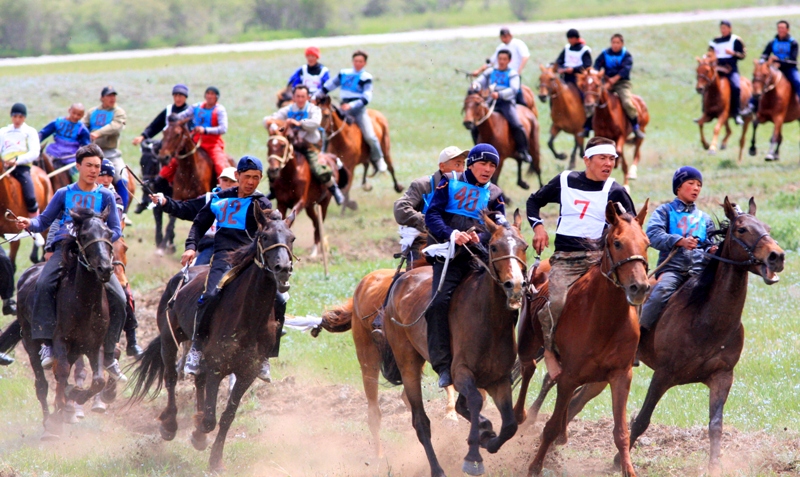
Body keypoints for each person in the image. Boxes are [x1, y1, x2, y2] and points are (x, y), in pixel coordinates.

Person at [525, 136, 635, 379]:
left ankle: (630, 348)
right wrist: (538, 228)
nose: (608, 163)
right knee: (556, 303)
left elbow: (632, 226)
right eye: (603, 158)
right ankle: (551, 352)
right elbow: (534, 201)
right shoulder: (565, 180)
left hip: (600, 260)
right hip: (566, 258)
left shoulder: (616, 190)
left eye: (612, 159)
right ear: (587, 160)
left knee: (634, 292)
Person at [15, 144, 128, 381]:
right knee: (43, 284)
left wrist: (99, 241)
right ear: (78, 166)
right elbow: (44, 220)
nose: (94, 170)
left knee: (119, 297)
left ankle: (109, 353)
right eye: (89, 165)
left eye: (97, 166)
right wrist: (29, 223)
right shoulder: (63, 193)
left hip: (95, 253)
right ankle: (47, 342)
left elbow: (116, 230)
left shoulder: (106, 195)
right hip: (65, 249)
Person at [180, 156, 282, 382]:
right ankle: (196, 347)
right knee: (211, 295)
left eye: (256, 178)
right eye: (247, 177)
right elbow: (199, 224)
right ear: (237, 176)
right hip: (224, 257)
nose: (251, 182)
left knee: (280, 299)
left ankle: (265, 354)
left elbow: (272, 227)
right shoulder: (219, 199)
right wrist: (191, 247)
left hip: (252, 261)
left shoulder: (262, 203)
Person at [423, 143, 507, 388]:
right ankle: (442, 366)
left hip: (479, 258)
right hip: (449, 256)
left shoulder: (494, 194)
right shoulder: (449, 181)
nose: (488, 169)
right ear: (471, 163)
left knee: (511, 298)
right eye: (483, 163)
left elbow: (500, 227)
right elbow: (432, 215)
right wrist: (453, 234)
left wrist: (479, 237)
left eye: (493, 165)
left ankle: (507, 359)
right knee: (438, 303)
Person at [639, 167, 716, 331]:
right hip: (673, 270)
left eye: (699, 185)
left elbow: (709, 242)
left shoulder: (704, 218)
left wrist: (712, 249)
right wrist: (679, 241)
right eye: (691, 183)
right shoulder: (664, 211)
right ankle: (639, 333)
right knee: (661, 291)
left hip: (699, 272)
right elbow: (652, 235)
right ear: (678, 187)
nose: (696, 188)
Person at [265, 84, 345, 205]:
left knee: (317, 168)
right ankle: (273, 190)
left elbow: (316, 123)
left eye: (303, 96)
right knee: (274, 164)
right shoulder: (289, 109)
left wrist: (298, 123)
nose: (300, 99)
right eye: (298, 96)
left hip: (309, 146)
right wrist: (271, 121)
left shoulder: (313, 109)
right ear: (294, 97)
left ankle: (333, 188)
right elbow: (270, 119)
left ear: (307, 97)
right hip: (291, 146)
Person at [96, 159, 142, 357]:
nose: (106, 179)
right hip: (88, 239)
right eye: (102, 175)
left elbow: (117, 225)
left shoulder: (116, 198)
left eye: (109, 175)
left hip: (111, 239)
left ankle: (131, 338)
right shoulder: (86, 193)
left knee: (123, 287)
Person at [149, 167, 238, 266]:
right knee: (192, 274)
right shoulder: (208, 199)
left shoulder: (248, 201)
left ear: (239, 182)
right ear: (219, 181)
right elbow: (184, 209)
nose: (228, 184)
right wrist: (165, 202)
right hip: (211, 247)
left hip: (238, 247)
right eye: (225, 180)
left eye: (233, 181)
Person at [317, 50, 388, 173]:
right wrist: (319, 94)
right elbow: (330, 85)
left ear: (364, 63)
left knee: (370, 135)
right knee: (327, 128)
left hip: (358, 110)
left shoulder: (366, 77)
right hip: (343, 108)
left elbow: (367, 97)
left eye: (360, 61)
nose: (357, 63)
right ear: (352, 61)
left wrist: (351, 105)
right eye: (356, 61)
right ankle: (323, 153)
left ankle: (378, 158)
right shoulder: (344, 73)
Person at [473, 50, 533, 164]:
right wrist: (475, 84)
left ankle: (523, 150)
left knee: (517, 125)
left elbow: (514, 89)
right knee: (475, 124)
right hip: (490, 102)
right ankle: (477, 149)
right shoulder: (490, 72)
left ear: (509, 61)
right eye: (500, 59)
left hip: (506, 103)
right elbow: (480, 81)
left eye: (504, 59)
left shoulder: (512, 73)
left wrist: (500, 94)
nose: (501, 61)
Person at [0, 103, 44, 246]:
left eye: (20, 116)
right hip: (4, 166)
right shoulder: (3, 132)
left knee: (30, 194)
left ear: (24, 117)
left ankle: (36, 229)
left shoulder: (29, 132)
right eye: (15, 116)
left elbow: (34, 152)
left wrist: (18, 160)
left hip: (20, 167)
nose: (17, 119)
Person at [166, 86, 229, 182]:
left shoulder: (220, 110)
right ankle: (162, 181)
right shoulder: (196, 107)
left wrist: (205, 130)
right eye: (208, 93)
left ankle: (223, 186)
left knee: (219, 165)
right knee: (174, 161)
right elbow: (184, 115)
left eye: (212, 94)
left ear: (216, 97)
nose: (209, 96)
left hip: (212, 144)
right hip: (194, 141)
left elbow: (223, 128)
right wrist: (174, 118)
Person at [84, 87, 130, 217]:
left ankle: (122, 214)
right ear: (102, 98)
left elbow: (115, 126)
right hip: (92, 152)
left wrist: (99, 132)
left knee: (121, 177)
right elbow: (83, 125)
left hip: (111, 153)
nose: (112, 98)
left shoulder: (118, 112)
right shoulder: (92, 112)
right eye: (109, 96)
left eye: (114, 96)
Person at [594, 33, 645, 140]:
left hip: (622, 84)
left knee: (626, 102)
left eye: (617, 43)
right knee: (593, 100)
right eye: (613, 42)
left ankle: (635, 126)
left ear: (622, 44)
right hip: (606, 82)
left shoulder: (626, 55)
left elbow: (625, 70)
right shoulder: (605, 54)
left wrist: (613, 80)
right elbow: (596, 65)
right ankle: (588, 125)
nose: (615, 45)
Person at [473, 28, 531, 106]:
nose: (504, 39)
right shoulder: (501, 47)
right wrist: (478, 71)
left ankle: (523, 107)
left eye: (506, 37)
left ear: (510, 35)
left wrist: (519, 71)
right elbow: (491, 62)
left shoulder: (518, 44)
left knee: (517, 92)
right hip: (499, 72)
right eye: (502, 37)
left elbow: (525, 56)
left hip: (512, 73)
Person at [709, 20, 747, 124]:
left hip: (730, 68)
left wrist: (733, 53)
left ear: (730, 28)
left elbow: (743, 55)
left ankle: (736, 112)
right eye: (722, 28)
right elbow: (709, 52)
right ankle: (706, 110)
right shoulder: (715, 40)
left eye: (725, 28)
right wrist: (711, 56)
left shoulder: (735, 40)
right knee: (706, 85)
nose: (723, 30)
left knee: (736, 87)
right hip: (718, 68)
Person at [761, 20, 800, 102]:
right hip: (774, 69)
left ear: (787, 30)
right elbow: (764, 55)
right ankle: (752, 105)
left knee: (798, 82)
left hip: (789, 69)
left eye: (782, 28)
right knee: (760, 81)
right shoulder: (772, 42)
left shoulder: (793, 43)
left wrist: (779, 62)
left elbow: (792, 59)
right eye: (779, 28)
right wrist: (769, 59)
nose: (780, 30)